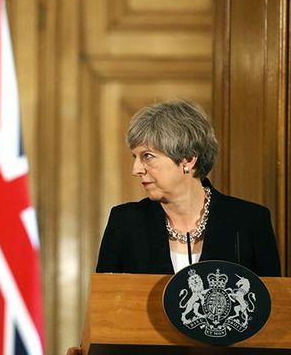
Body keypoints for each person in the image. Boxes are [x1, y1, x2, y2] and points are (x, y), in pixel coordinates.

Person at [96, 99, 280, 276]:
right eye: (134, 157)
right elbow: (106, 303)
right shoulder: (125, 222)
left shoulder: (250, 222)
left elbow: (271, 302)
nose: (136, 170)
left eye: (148, 156)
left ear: (188, 159)